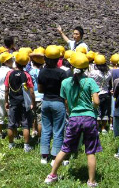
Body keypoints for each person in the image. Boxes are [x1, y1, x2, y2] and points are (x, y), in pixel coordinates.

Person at [44, 52, 101, 187]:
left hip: (74, 117)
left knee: (65, 148)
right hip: (89, 118)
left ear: (71, 65)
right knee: (90, 151)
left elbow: (65, 102)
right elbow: (97, 101)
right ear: (86, 68)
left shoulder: (65, 82)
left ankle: (52, 175)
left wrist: (71, 111)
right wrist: (92, 108)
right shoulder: (90, 81)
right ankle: (91, 182)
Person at [38, 45, 68, 165]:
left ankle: (44, 156)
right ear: (58, 59)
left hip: (46, 102)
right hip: (58, 102)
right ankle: (55, 156)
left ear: (45, 58)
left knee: (46, 129)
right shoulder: (62, 73)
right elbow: (65, 90)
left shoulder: (42, 72)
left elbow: (40, 90)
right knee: (58, 130)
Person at [4, 51, 35, 152]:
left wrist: (6, 101)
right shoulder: (26, 75)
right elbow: (31, 91)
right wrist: (32, 103)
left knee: (11, 123)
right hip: (24, 102)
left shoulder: (9, 74)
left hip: (13, 101)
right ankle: (26, 146)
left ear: (16, 62)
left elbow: (6, 89)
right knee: (25, 124)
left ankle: (11, 144)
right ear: (25, 64)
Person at [88, 54, 112, 134]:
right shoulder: (108, 72)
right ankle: (104, 128)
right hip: (106, 93)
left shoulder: (93, 73)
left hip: (96, 94)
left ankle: (97, 128)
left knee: (97, 112)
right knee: (105, 111)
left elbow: (89, 81)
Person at [29, 48, 45, 138]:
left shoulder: (30, 72)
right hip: (42, 96)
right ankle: (40, 137)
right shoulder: (43, 72)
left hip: (33, 96)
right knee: (41, 119)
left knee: (34, 116)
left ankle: (34, 131)